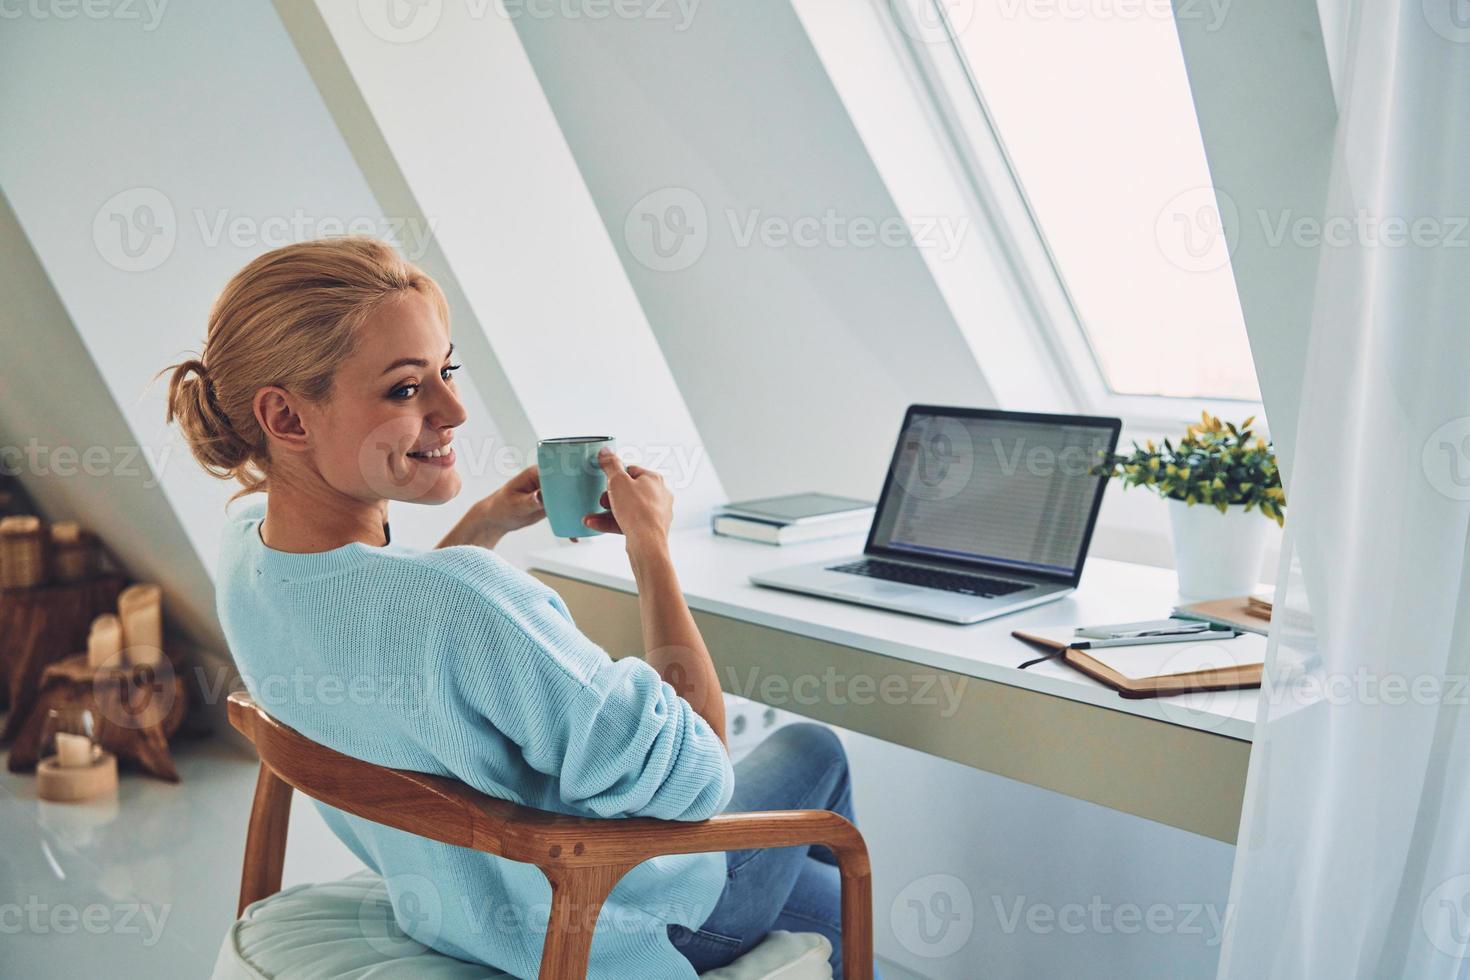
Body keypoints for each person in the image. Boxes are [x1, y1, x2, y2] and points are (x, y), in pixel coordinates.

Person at [162, 237, 869, 978]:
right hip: (605, 925)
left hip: (459, 911)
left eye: (447, 371)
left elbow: (383, 630)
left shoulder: (248, 551)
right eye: (406, 389)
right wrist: (652, 551)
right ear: (288, 418)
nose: (455, 409)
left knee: (821, 894)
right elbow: (698, 776)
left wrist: (485, 524)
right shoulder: (470, 603)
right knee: (814, 753)